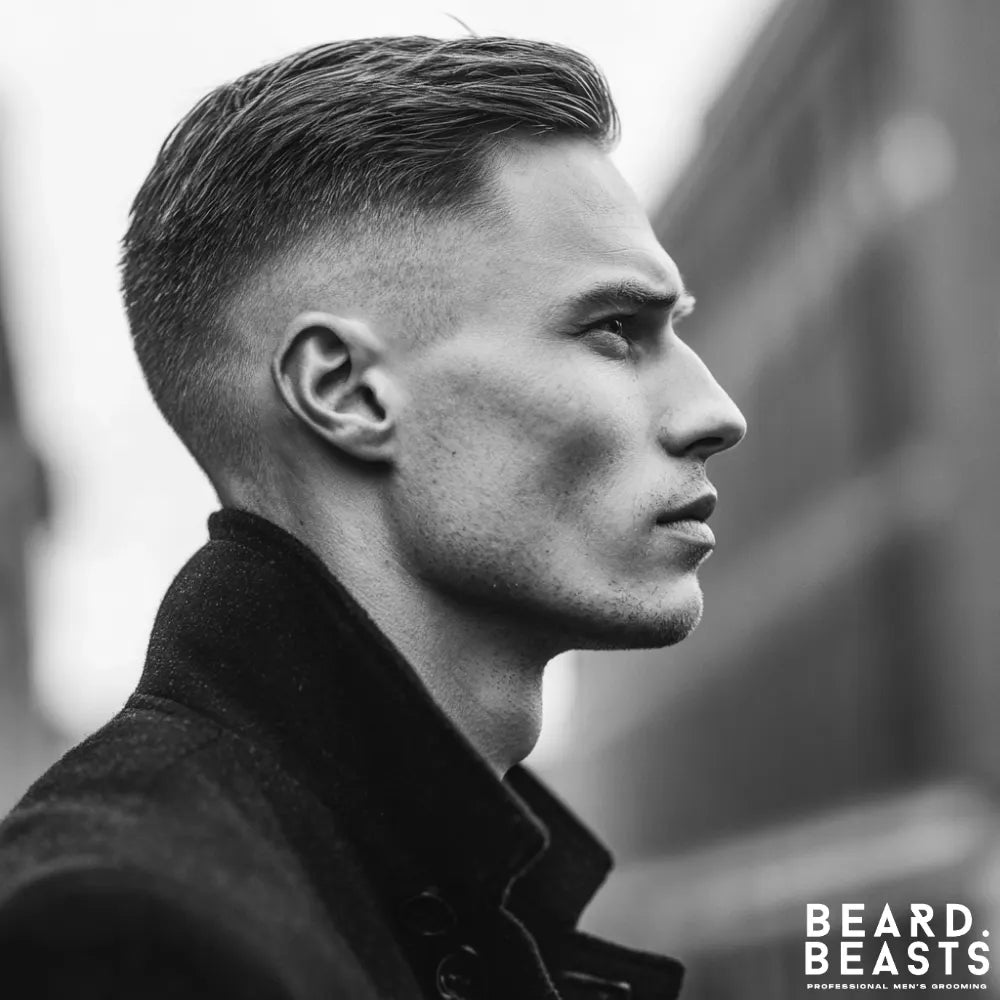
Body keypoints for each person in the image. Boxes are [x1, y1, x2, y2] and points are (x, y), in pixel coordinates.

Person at [0, 36, 746, 999]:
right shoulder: (121, 932)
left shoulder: (418, 899)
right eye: (614, 331)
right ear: (347, 392)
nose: (716, 413)